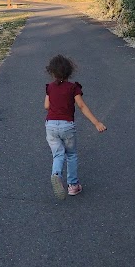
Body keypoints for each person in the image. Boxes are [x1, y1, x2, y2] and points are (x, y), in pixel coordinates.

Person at [44, 54, 106, 200]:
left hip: (51, 125)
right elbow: (82, 106)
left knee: (58, 154)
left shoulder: (50, 88)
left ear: (52, 72)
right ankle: (73, 186)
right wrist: (96, 123)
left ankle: (56, 174)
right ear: (69, 72)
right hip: (67, 126)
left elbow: (46, 106)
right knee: (71, 154)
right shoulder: (73, 88)